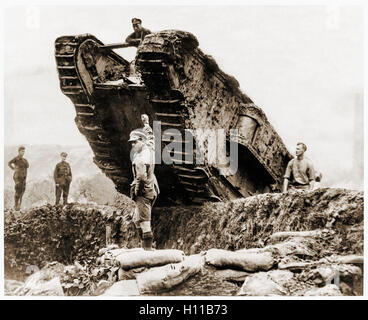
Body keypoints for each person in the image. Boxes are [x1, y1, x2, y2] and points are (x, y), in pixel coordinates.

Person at [129, 125, 159, 250]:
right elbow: (151, 140)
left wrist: (136, 191)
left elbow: (140, 177)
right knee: (136, 219)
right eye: (131, 143)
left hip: (143, 192)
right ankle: (145, 246)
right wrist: (147, 125)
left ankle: (147, 251)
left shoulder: (141, 158)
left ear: (141, 140)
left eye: (135, 142)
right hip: (152, 188)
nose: (133, 145)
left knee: (144, 223)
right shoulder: (149, 149)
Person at [8, 146, 29, 211]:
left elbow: (27, 166)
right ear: (19, 151)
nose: (23, 153)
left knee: (22, 190)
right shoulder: (16, 159)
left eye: (24, 151)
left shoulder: (24, 160)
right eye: (22, 151)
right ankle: (16, 205)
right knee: (18, 191)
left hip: (23, 177)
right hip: (17, 177)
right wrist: (13, 168)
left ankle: (19, 205)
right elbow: (9, 163)